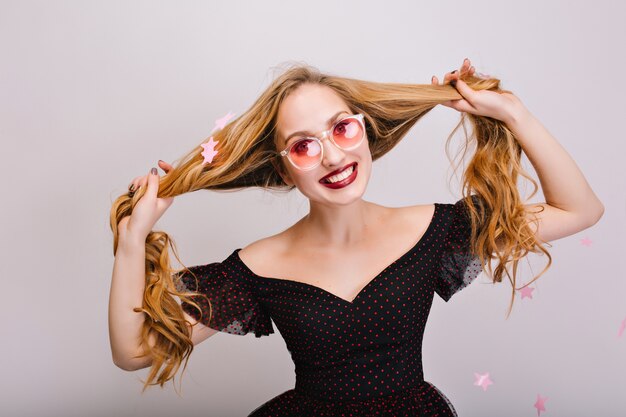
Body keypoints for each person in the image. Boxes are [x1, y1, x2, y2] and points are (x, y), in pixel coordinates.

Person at [108, 58, 604, 416]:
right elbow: (134, 352)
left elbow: (579, 209)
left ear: (366, 132)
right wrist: (133, 240)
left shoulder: (435, 230)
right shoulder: (258, 266)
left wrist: (513, 113)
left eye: (341, 129)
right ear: (283, 170)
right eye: (304, 145)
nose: (331, 155)